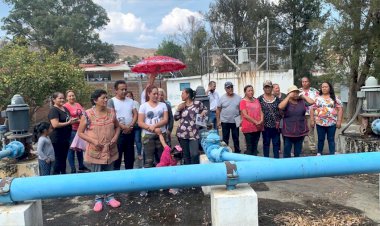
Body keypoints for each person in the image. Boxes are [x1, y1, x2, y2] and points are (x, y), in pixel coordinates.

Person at [78, 89, 121, 212]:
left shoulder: (112, 112)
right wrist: (93, 141)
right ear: (95, 100)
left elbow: (117, 127)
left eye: (107, 98)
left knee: (110, 174)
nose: (106, 100)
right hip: (96, 151)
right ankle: (98, 199)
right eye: (103, 98)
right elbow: (80, 133)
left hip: (110, 149)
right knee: (97, 175)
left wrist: (115, 138)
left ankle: (110, 197)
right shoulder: (87, 114)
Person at [108, 80, 138, 170]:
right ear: (116, 90)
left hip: (130, 131)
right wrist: (122, 126)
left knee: (130, 156)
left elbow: (135, 114)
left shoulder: (130, 101)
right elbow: (112, 116)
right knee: (117, 156)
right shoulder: (111, 101)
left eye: (125, 89)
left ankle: (130, 177)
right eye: (122, 89)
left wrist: (131, 126)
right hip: (118, 133)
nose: (124, 91)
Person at [279, 85, 315, 158]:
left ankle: (297, 166)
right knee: (287, 150)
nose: (296, 94)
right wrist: (288, 97)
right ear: (289, 93)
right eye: (294, 92)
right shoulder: (286, 101)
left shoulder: (301, 101)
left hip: (300, 129)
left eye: (297, 92)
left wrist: (304, 96)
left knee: (298, 151)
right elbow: (280, 107)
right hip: (288, 130)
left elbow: (312, 102)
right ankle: (286, 165)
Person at [175, 88, 207, 164]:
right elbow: (176, 118)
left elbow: (205, 109)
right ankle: (188, 171)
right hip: (182, 134)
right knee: (186, 155)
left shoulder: (197, 103)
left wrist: (203, 113)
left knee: (195, 154)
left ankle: (195, 171)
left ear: (188, 94)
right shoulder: (182, 106)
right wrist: (178, 109)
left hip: (194, 133)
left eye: (183, 93)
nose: (181, 95)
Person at [138, 85, 168, 168]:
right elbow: (140, 122)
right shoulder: (143, 106)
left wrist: (154, 126)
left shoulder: (163, 105)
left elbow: (165, 120)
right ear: (148, 94)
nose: (156, 96)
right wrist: (151, 129)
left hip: (161, 134)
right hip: (148, 135)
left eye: (157, 94)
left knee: (162, 159)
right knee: (149, 160)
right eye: (154, 94)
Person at [310, 82, 343, 156]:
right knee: (320, 139)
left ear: (329, 88)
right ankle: (319, 153)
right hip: (320, 123)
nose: (324, 88)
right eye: (323, 87)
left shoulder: (335, 98)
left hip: (332, 123)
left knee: (331, 139)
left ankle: (332, 153)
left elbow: (340, 109)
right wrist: (312, 120)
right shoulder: (317, 98)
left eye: (326, 87)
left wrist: (339, 121)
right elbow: (312, 109)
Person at [48, 92, 76, 174]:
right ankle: (56, 176)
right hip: (57, 139)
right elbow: (55, 124)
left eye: (63, 98)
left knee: (63, 158)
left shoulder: (65, 108)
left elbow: (69, 119)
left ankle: (63, 174)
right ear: (54, 100)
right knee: (58, 159)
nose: (62, 100)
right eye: (59, 98)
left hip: (65, 138)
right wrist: (68, 123)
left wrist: (76, 120)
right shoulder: (53, 110)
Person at [63, 90, 90, 173]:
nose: (72, 97)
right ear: (67, 98)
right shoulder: (65, 106)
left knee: (79, 149)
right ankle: (72, 168)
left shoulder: (78, 104)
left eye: (73, 95)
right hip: (72, 130)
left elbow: (83, 114)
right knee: (71, 149)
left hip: (80, 130)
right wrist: (81, 120)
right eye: (70, 96)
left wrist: (82, 120)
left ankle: (81, 166)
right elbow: (70, 119)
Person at [216, 81, 242, 153]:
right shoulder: (222, 98)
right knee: (225, 139)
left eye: (231, 87)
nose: (230, 89)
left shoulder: (239, 98)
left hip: (235, 121)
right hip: (225, 121)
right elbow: (218, 110)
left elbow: (241, 110)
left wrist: (241, 120)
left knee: (236, 138)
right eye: (228, 88)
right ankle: (225, 152)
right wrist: (218, 121)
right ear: (225, 89)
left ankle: (237, 152)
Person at [258, 80, 281, 158]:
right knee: (266, 144)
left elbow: (280, 110)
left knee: (276, 144)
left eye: (269, 87)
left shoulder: (277, 99)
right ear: (263, 88)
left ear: (272, 88)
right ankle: (266, 160)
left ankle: (276, 160)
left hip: (275, 126)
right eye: (266, 87)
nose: (267, 89)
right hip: (265, 126)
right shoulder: (260, 99)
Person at [240, 85, 263, 156]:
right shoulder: (243, 102)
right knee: (249, 147)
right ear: (245, 92)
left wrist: (261, 120)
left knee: (255, 146)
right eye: (249, 91)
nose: (251, 92)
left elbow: (261, 111)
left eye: (252, 90)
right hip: (248, 128)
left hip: (257, 127)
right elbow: (245, 115)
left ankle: (255, 163)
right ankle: (249, 164)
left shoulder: (256, 100)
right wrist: (256, 122)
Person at [299, 76, 319, 152]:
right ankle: (300, 148)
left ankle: (312, 148)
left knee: (310, 131)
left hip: (311, 114)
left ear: (309, 82)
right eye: (303, 82)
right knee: (300, 131)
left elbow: (317, 102)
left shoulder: (315, 91)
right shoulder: (298, 91)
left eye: (306, 81)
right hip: (300, 114)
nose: (304, 83)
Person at [126, 91, 143, 167]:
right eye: (127, 96)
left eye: (130, 96)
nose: (129, 97)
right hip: (128, 125)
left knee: (137, 140)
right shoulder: (124, 103)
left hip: (136, 125)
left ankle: (139, 154)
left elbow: (138, 113)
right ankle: (130, 156)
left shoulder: (135, 103)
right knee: (129, 142)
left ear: (132, 96)